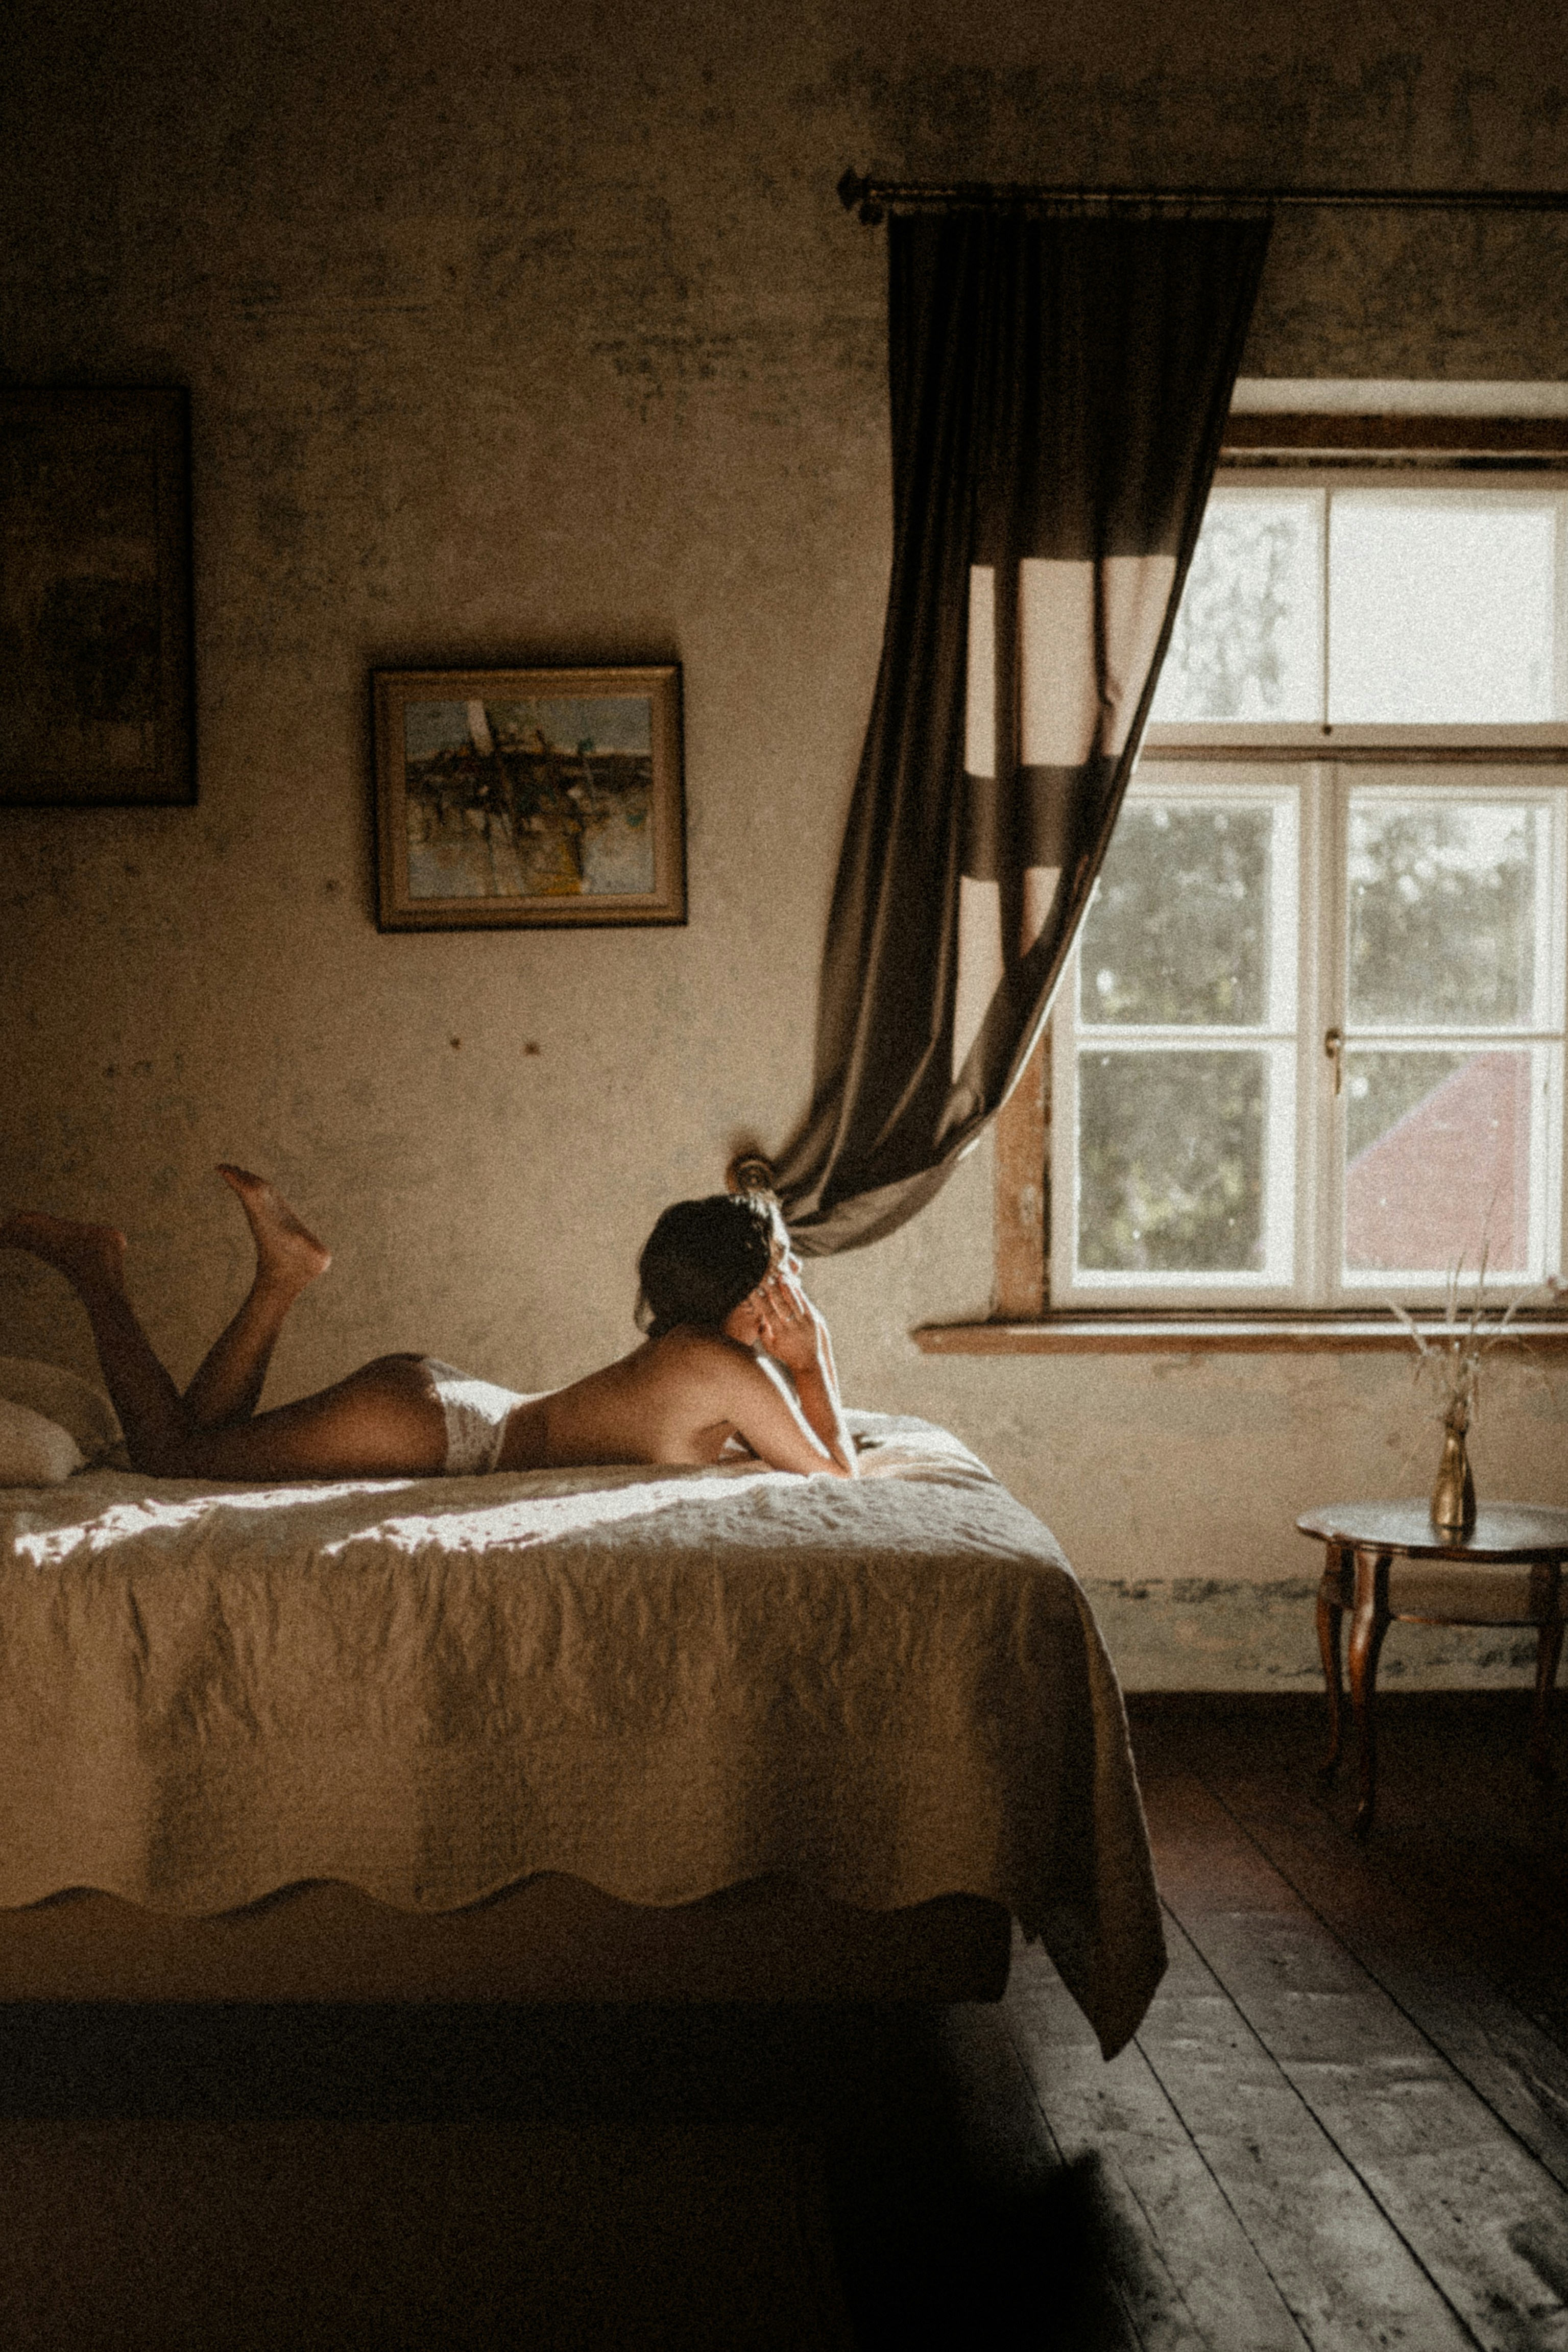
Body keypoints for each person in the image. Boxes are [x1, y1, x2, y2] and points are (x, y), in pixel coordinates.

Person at [0, 1169, 857, 1483]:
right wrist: (814, 1362)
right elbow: (835, 1478)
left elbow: (792, 1459)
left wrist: (802, 1369)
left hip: (442, 1409)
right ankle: (97, 1275)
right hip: (443, 1430)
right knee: (170, 1458)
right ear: (748, 1284)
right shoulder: (722, 1364)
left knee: (196, 1446)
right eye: (788, 1263)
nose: (800, 1281)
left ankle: (281, 1280)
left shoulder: (699, 1356)